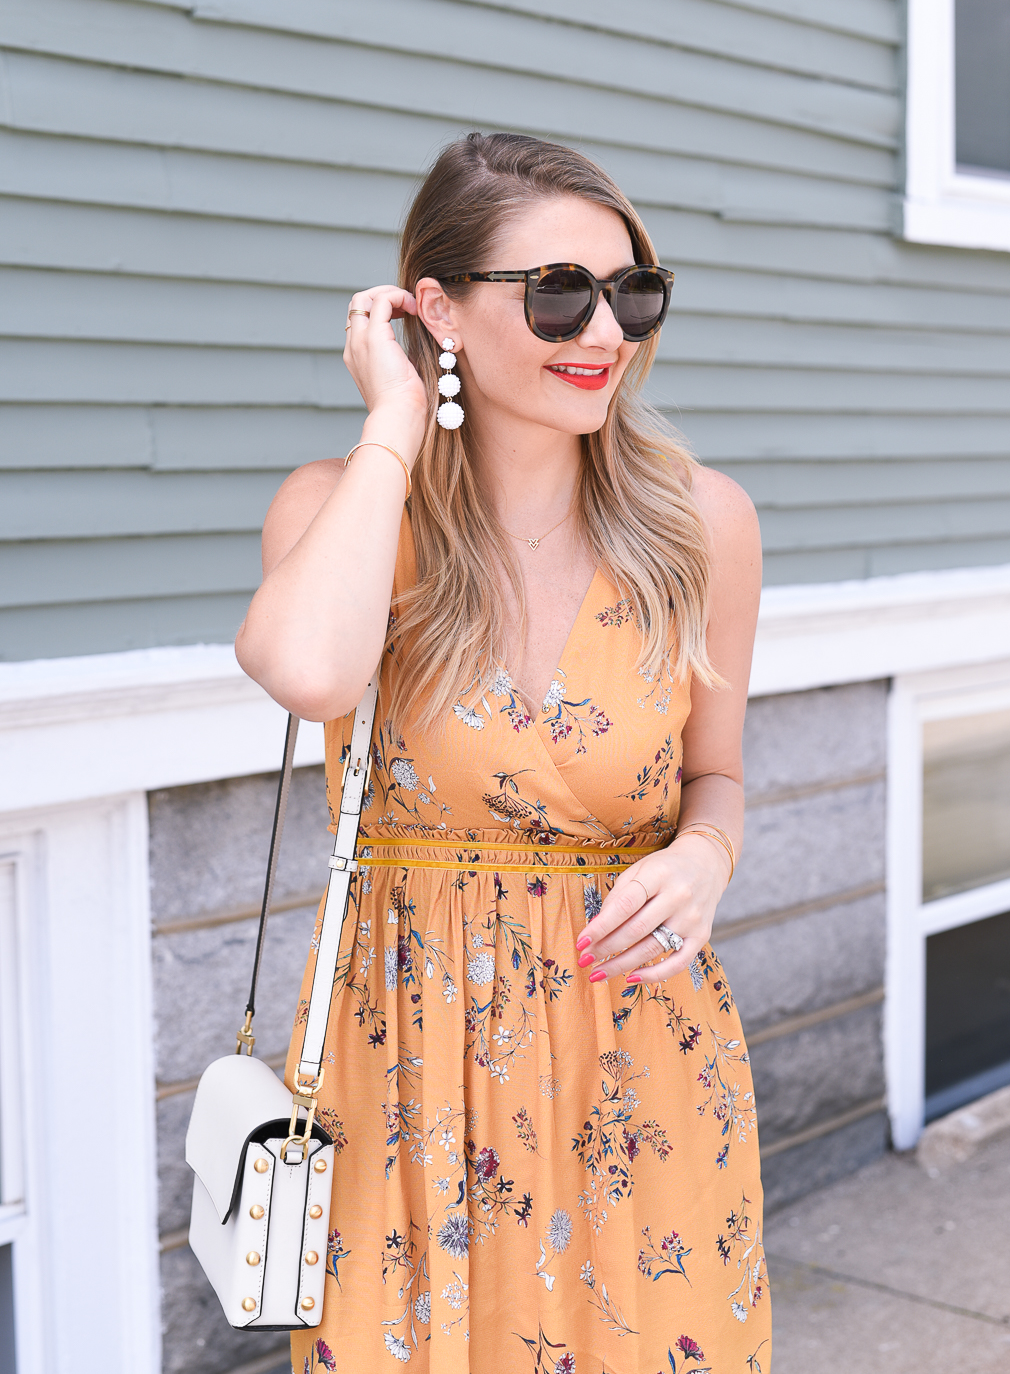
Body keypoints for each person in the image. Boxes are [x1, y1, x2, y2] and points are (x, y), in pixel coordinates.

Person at [236, 131, 769, 1374]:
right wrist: (394, 420)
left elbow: (719, 775)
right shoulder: (341, 506)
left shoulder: (706, 525)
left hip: (635, 1052)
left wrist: (707, 856)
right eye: (558, 292)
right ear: (440, 310)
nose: (606, 331)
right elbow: (310, 671)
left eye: (632, 291)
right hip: (405, 1060)